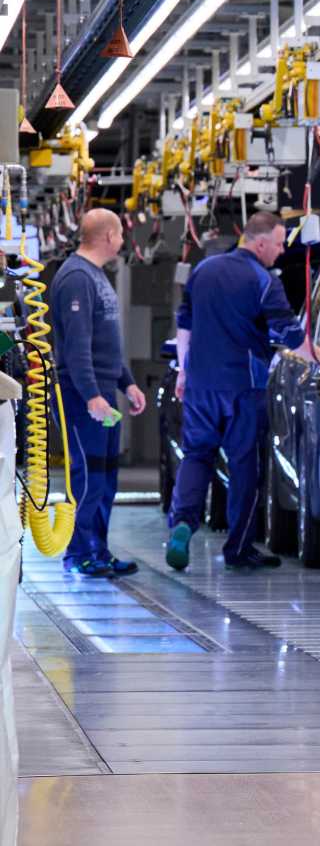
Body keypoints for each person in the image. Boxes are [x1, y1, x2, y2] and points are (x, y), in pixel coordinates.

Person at [165, 211, 307, 571]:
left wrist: (183, 371)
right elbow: (291, 335)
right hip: (244, 387)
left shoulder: (203, 270)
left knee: (197, 455)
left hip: (199, 383)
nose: (280, 251)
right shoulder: (263, 280)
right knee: (245, 466)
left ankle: (182, 524)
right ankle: (238, 548)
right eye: (278, 243)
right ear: (259, 243)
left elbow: (184, 326)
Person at [51, 208, 145, 576]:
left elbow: (106, 345)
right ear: (108, 236)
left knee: (105, 478)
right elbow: (77, 346)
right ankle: (78, 553)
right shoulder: (76, 277)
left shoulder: (97, 277)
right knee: (87, 477)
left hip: (103, 392)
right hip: (81, 396)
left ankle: (97, 550)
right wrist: (91, 394)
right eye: (121, 234)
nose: (122, 242)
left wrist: (127, 382)